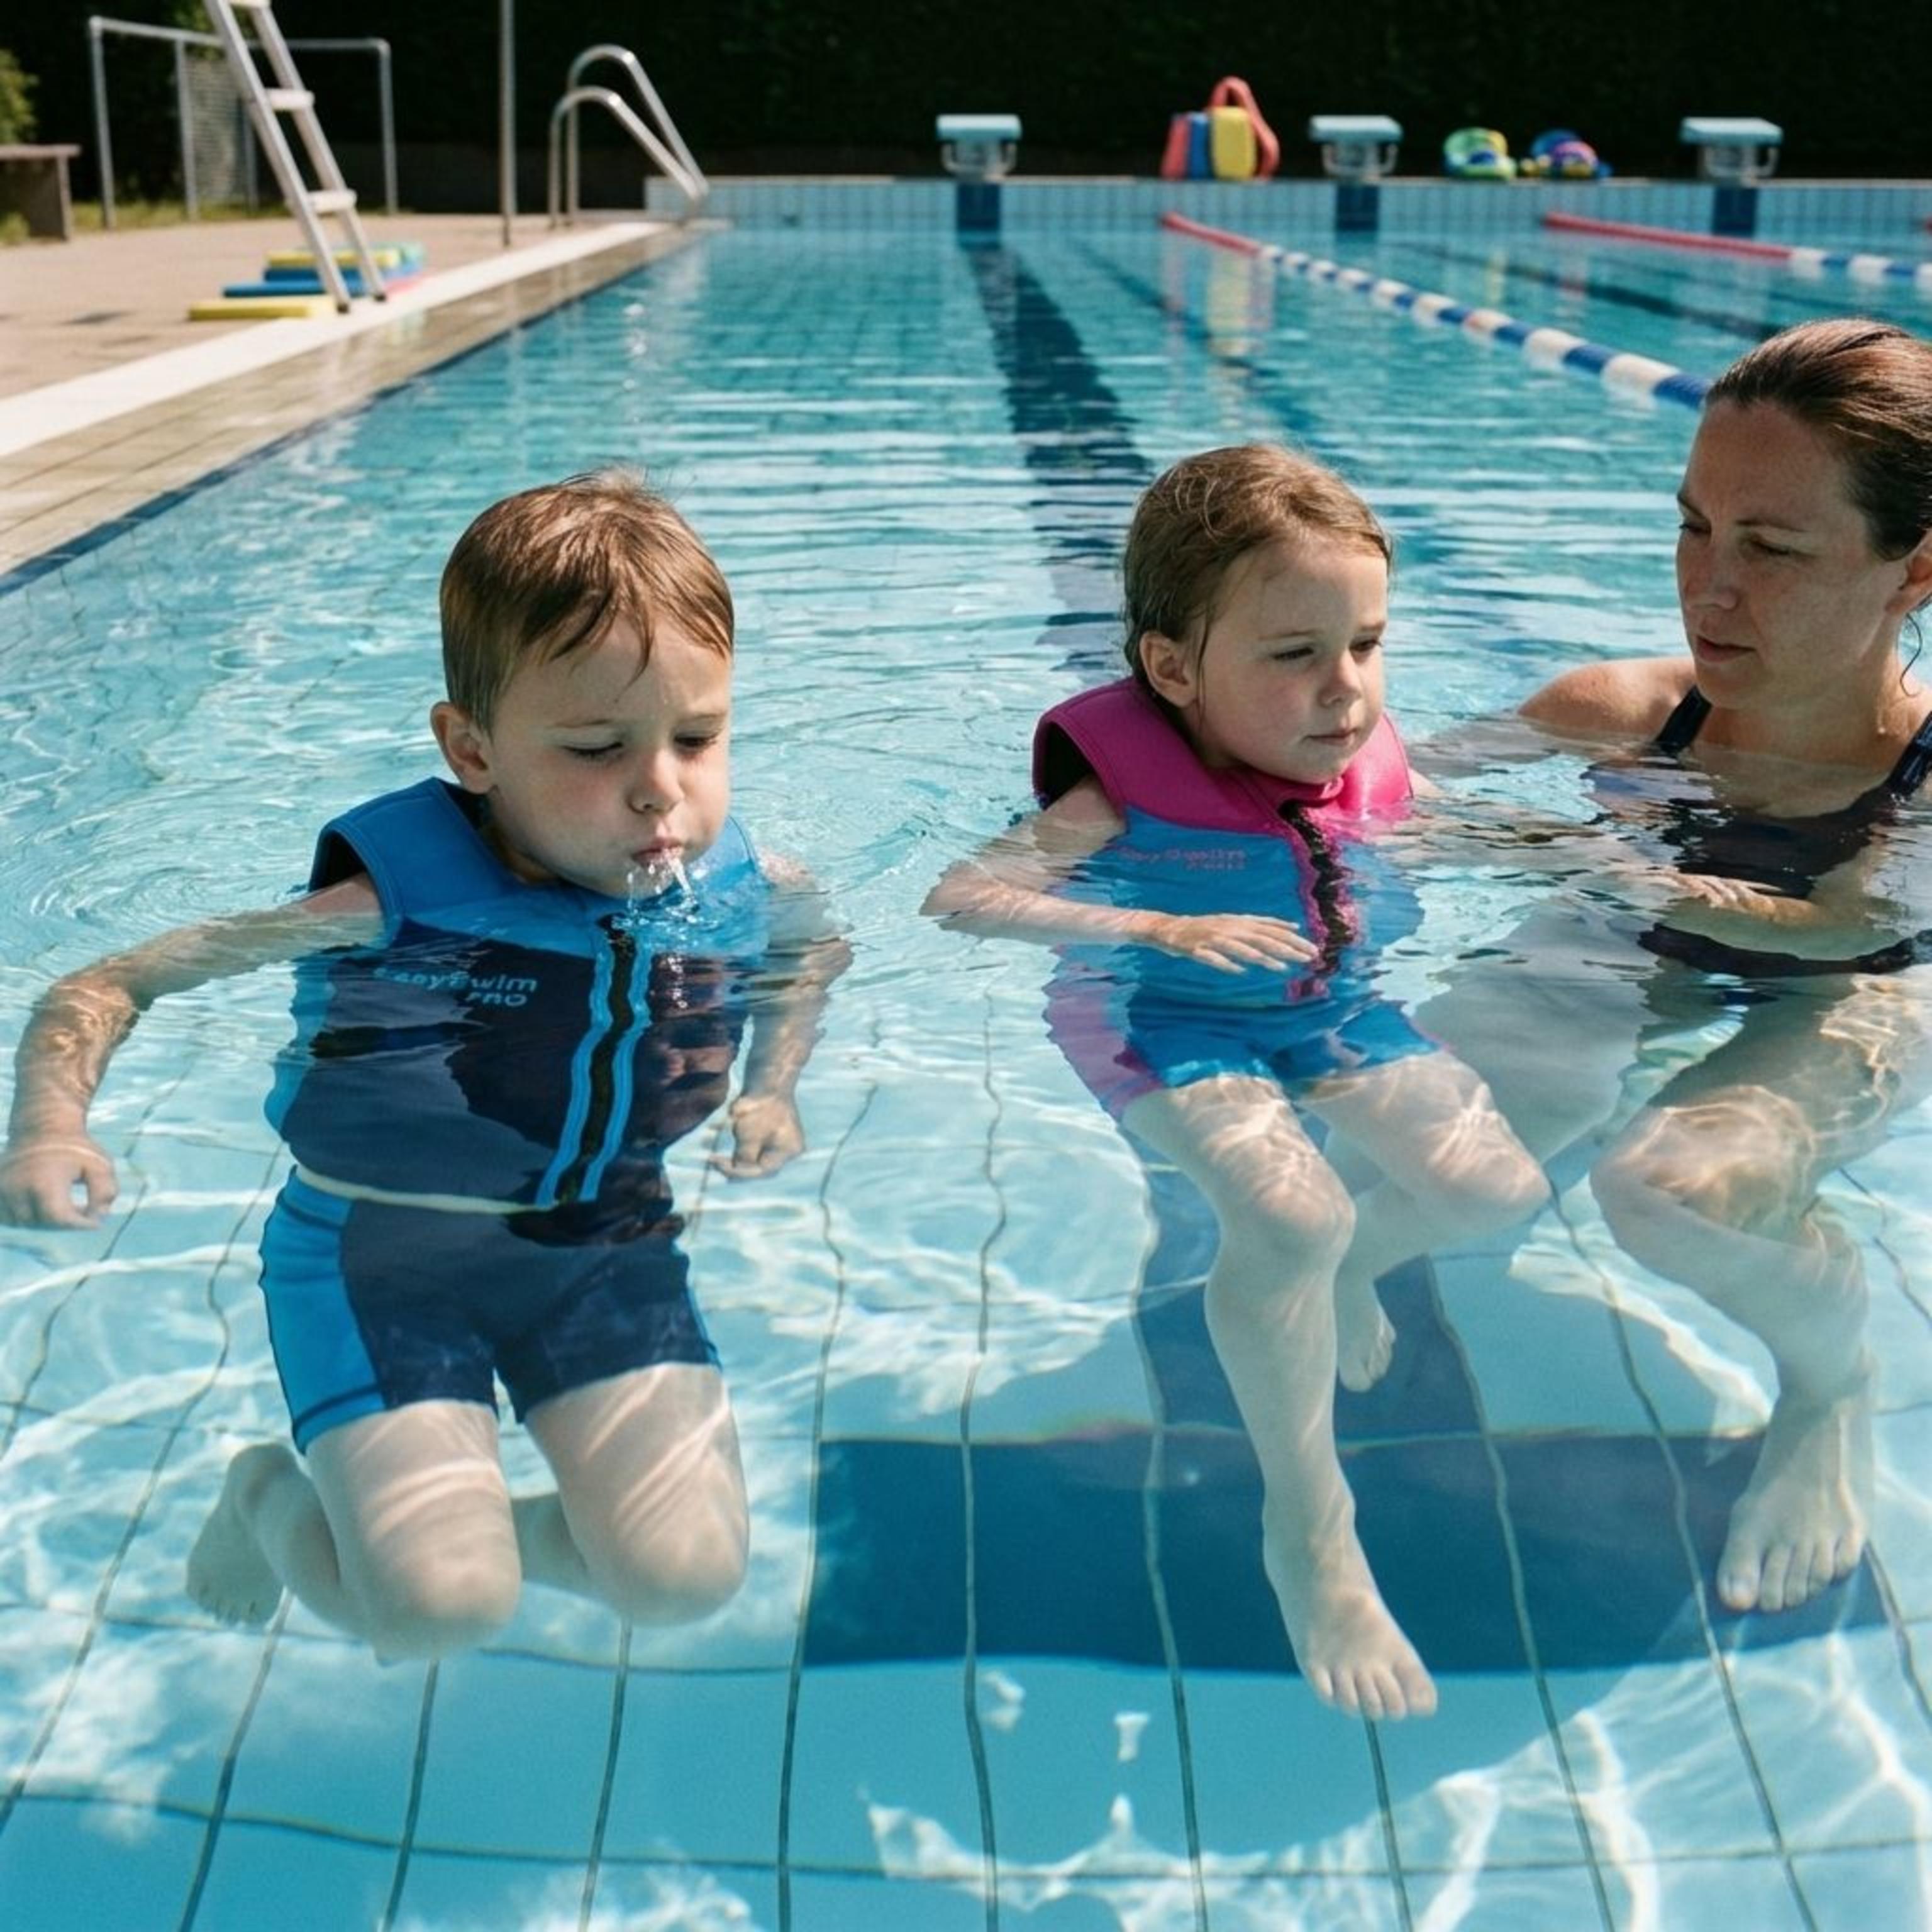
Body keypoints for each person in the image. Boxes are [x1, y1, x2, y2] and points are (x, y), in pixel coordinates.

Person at [0, 470, 848, 1661]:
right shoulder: (381, 906)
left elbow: (810, 955)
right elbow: (104, 986)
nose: (660, 787)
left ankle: (444, 1532)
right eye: (597, 747)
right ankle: (272, 1501)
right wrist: (49, 1127)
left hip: (603, 1246)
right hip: (384, 1260)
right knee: (437, 1610)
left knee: (684, 1580)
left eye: (697, 738)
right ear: (472, 749)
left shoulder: (744, 882)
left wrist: (773, 1086)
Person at [924, 445, 1549, 1719]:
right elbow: (965, 896)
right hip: (1163, 1019)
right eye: (1296, 654)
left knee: (1493, 1188)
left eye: (1367, 644)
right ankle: (1309, 1523)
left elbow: (1443, 829)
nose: (1346, 688)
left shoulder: (1362, 758)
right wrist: (1157, 927)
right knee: (1294, 1217)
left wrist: (1613, 864)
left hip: (1327, 1006)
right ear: (1172, 670)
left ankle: (1355, 1273)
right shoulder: (1116, 792)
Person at [1418, 317, 1932, 1618]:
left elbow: (1848, 932)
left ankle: (1830, 1384)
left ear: (1916, 569)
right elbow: (1366, 794)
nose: (1711, 588)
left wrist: (1600, 867)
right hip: (1648, 938)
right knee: (1414, 1131)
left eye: (1771, 548)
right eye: (1694, 527)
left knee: (1671, 1192)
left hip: (1860, 982)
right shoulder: (1623, 716)